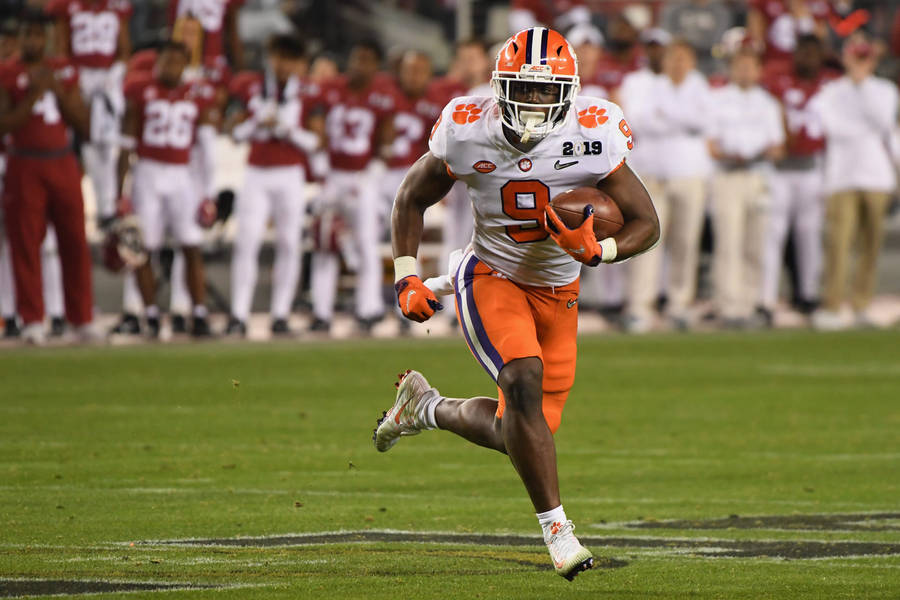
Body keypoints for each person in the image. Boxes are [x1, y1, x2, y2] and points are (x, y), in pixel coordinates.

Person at [373, 27, 659, 579]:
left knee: (520, 432)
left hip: (561, 290)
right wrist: (404, 275)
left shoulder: (595, 132)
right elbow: (411, 195)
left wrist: (598, 248)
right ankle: (559, 532)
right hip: (494, 275)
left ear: (569, 93)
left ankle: (424, 407)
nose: (530, 103)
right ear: (498, 86)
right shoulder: (467, 128)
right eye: (520, 90)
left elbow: (647, 223)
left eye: (542, 91)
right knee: (522, 380)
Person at [0, 11, 97, 345]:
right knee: (25, 243)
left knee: (75, 241)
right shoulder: (6, 72)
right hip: (24, 162)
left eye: (39, 35)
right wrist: (32, 95)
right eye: (28, 35)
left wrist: (54, 89)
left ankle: (81, 319)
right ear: (19, 38)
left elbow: (84, 123)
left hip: (62, 160)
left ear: (49, 38)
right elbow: (4, 124)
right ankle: (31, 319)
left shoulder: (65, 71)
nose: (34, 42)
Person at [117, 39, 217, 338]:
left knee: (191, 244)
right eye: (166, 60)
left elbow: (206, 148)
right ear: (156, 61)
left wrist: (206, 192)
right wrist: (121, 193)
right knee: (142, 247)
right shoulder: (140, 90)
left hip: (182, 173)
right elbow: (126, 146)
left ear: (186, 65)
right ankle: (148, 313)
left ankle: (197, 313)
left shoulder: (198, 93)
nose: (171, 67)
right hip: (148, 170)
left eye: (178, 61)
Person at [225, 35, 321, 337]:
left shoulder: (308, 92)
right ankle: (238, 314)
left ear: (299, 63)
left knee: (289, 243)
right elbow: (234, 133)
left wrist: (286, 129)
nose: (283, 66)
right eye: (279, 58)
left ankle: (280, 314)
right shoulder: (251, 86)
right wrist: (255, 123)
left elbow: (316, 141)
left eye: (290, 60)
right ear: (270, 56)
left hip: (290, 172)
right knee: (246, 242)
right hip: (257, 171)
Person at [623, 39, 712, 331]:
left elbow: (704, 122)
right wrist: (682, 122)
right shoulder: (649, 85)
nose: (677, 64)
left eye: (683, 58)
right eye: (673, 58)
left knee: (686, 241)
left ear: (692, 62)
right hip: (653, 174)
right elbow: (639, 121)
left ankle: (679, 304)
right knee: (647, 241)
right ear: (665, 61)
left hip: (689, 174)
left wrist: (667, 117)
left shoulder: (700, 86)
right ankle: (640, 306)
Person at [307, 40, 396, 333]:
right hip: (333, 176)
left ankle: (367, 308)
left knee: (366, 244)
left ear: (376, 66)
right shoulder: (331, 89)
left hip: (362, 178)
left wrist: (372, 173)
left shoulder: (381, 96)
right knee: (324, 242)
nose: (360, 66)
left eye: (367, 60)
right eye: (357, 59)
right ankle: (321, 311)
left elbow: (386, 141)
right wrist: (321, 170)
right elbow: (316, 128)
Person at [811, 33, 898, 329]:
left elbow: (882, 120)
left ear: (872, 60)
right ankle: (832, 306)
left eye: (865, 58)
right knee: (838, 243)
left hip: (876, 176)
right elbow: (834, 128)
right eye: (856, 58)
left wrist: (861, 88)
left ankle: (862, 305)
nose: (860, 64)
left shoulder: (885, 90)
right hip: (842, 176)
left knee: (871, 244)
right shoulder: (830, 91)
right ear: (846, 58)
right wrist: (863, 122)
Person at [706, 47, 785, 327]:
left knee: (755, 243)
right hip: (728, 176)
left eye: (750, 66)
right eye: (740, 66)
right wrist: (734, 154)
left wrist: (757, 153)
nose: (745, 72)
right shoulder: (717, 100)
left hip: (757, 175)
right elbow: (711, 146)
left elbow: (778, 146)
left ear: (759, 70)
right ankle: (728, 307)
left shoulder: (768, 103)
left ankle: (751, 305)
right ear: (731, 68)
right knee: (728, 242)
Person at [761, 34, 833, 320]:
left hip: (813, 168)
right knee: (773, 235)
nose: (807, 59)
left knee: (809, 234)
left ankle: (808, 295)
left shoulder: (830, 86)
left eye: (813, 53)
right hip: (780, 170)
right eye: (802, 52)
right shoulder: (778, 82)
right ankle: (765, 298)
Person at [45, 0, 131, 227]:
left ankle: (107, 207)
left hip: (107, 80)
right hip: (77, 77)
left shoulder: (116, 6)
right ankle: (67, 204)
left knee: (103, 145)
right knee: (73, 142)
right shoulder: (68, 6)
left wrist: (114, 75)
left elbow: (123, 50)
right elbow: (61, 48)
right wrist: (72, 78)